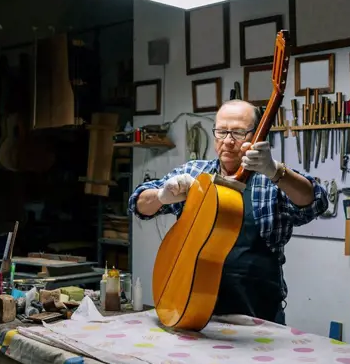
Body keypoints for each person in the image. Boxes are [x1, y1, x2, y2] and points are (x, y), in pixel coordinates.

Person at [128, 99, 328, 324]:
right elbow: (137, 203)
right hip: (190, 305)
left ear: (256, 136)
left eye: (239, 133)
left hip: (257, 314)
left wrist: (275, 171)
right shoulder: (194, 173)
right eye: (221, 132)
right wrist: (161, 196)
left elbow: (316, 202)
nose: (228, 141)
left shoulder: (273, 180)